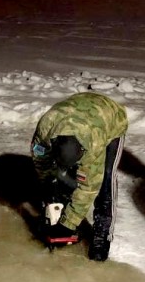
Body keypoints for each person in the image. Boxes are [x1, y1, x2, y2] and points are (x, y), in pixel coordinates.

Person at [30, 91, 128, 261]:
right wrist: (46, 180)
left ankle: (102, 236)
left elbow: (89, 187)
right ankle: (63, 208)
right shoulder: (47, 128)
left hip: (110, 118)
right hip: (73, 113)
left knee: (106, 179)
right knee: (61, 175)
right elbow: (40, 155)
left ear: (83, 151)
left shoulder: (93, 145)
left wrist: (68, 225)